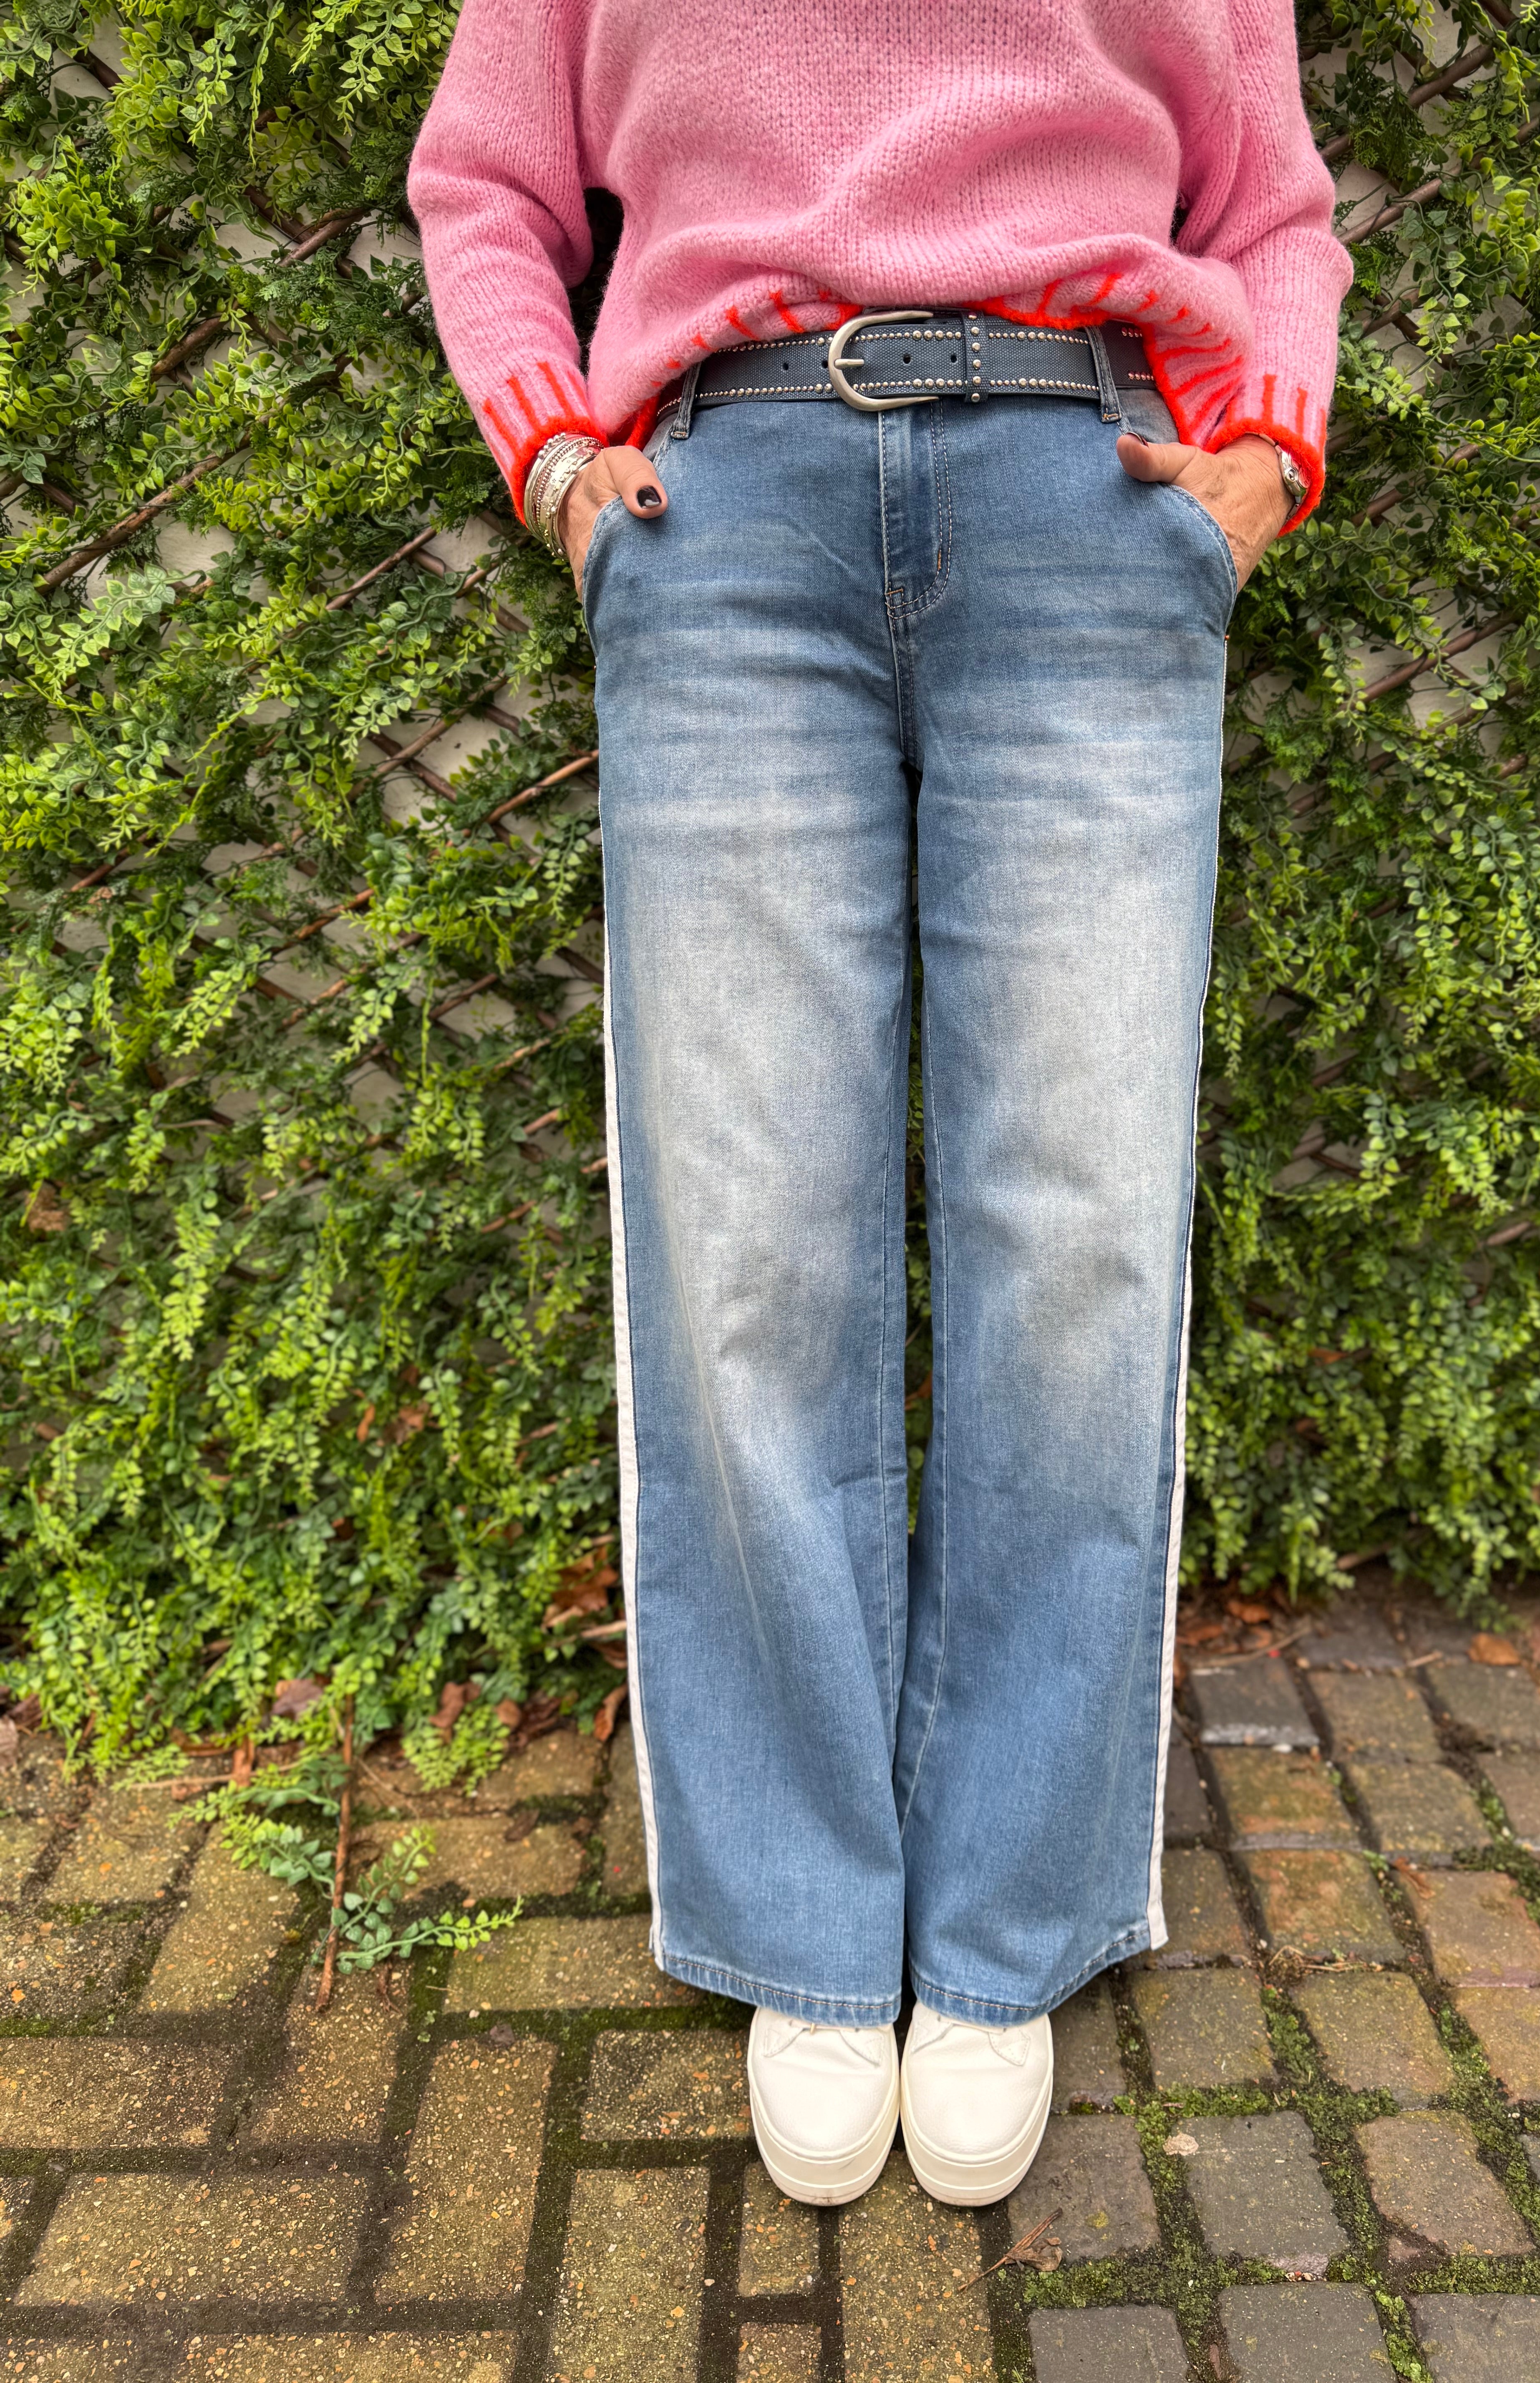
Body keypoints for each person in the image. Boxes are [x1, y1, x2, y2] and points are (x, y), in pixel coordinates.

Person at [409, 0, 1349, 2210]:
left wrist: (1262, 466)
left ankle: (1006, 1927)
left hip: (1088, 496)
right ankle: (815, 1925)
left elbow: (1276, 210)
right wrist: (553, 456)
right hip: (726, 511)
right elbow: (486, 182)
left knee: (1084, 1236)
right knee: (747, 1249)